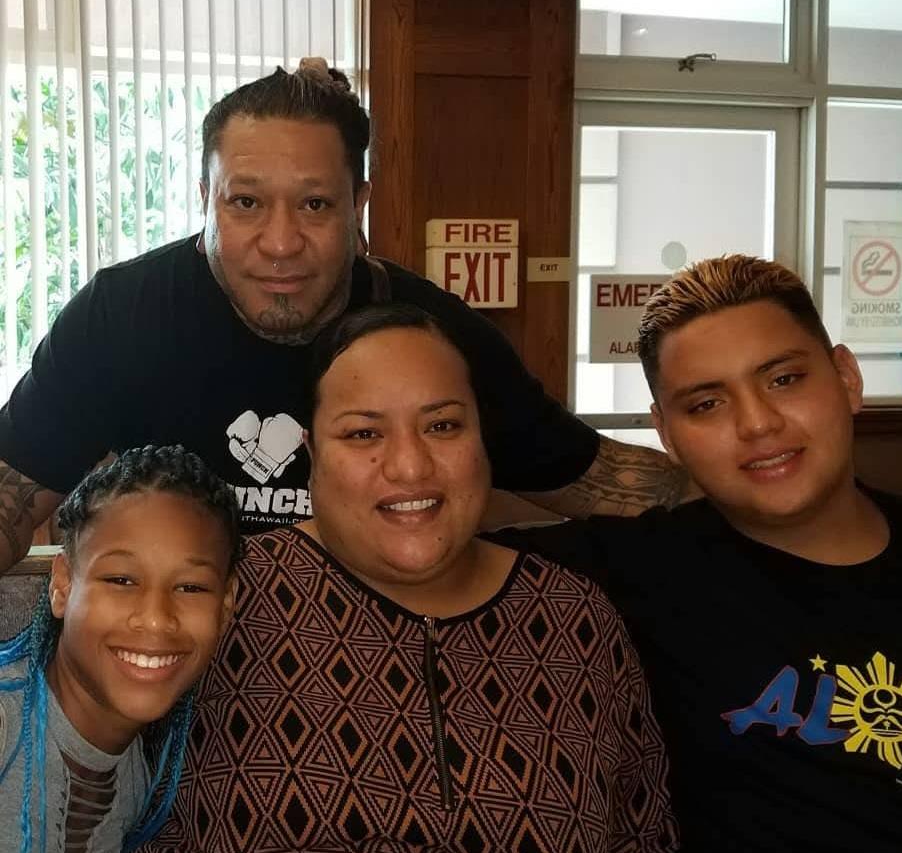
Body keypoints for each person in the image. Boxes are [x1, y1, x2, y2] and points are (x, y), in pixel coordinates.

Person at [495, 255, 902, 853]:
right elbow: (410, 552)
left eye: (784, 379)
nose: (757, 423)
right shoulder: (625, 576)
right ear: (667, 434)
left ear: (846, 378)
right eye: (707, 403)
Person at [0, 59, 690, 564]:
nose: (280, 243)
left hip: (370, 674)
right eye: (245, 202)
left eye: (315, 204)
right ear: (203, 195)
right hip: (179, 683)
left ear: (358, 206)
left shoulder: (431, 335)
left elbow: (596, 477)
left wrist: (764, 482)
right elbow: (15, 493)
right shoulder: (121, 317)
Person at [116, 303, 678, 853]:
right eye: (363, 433)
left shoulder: (574, 620)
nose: (410, 466)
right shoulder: (223, 597)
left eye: (442, 426)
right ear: (311, 454)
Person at [0, 444, 240, 853]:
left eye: (190, 587)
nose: (155, 618)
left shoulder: (139, 780)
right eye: (121, 580)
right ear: (62, 584)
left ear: (226, 604)